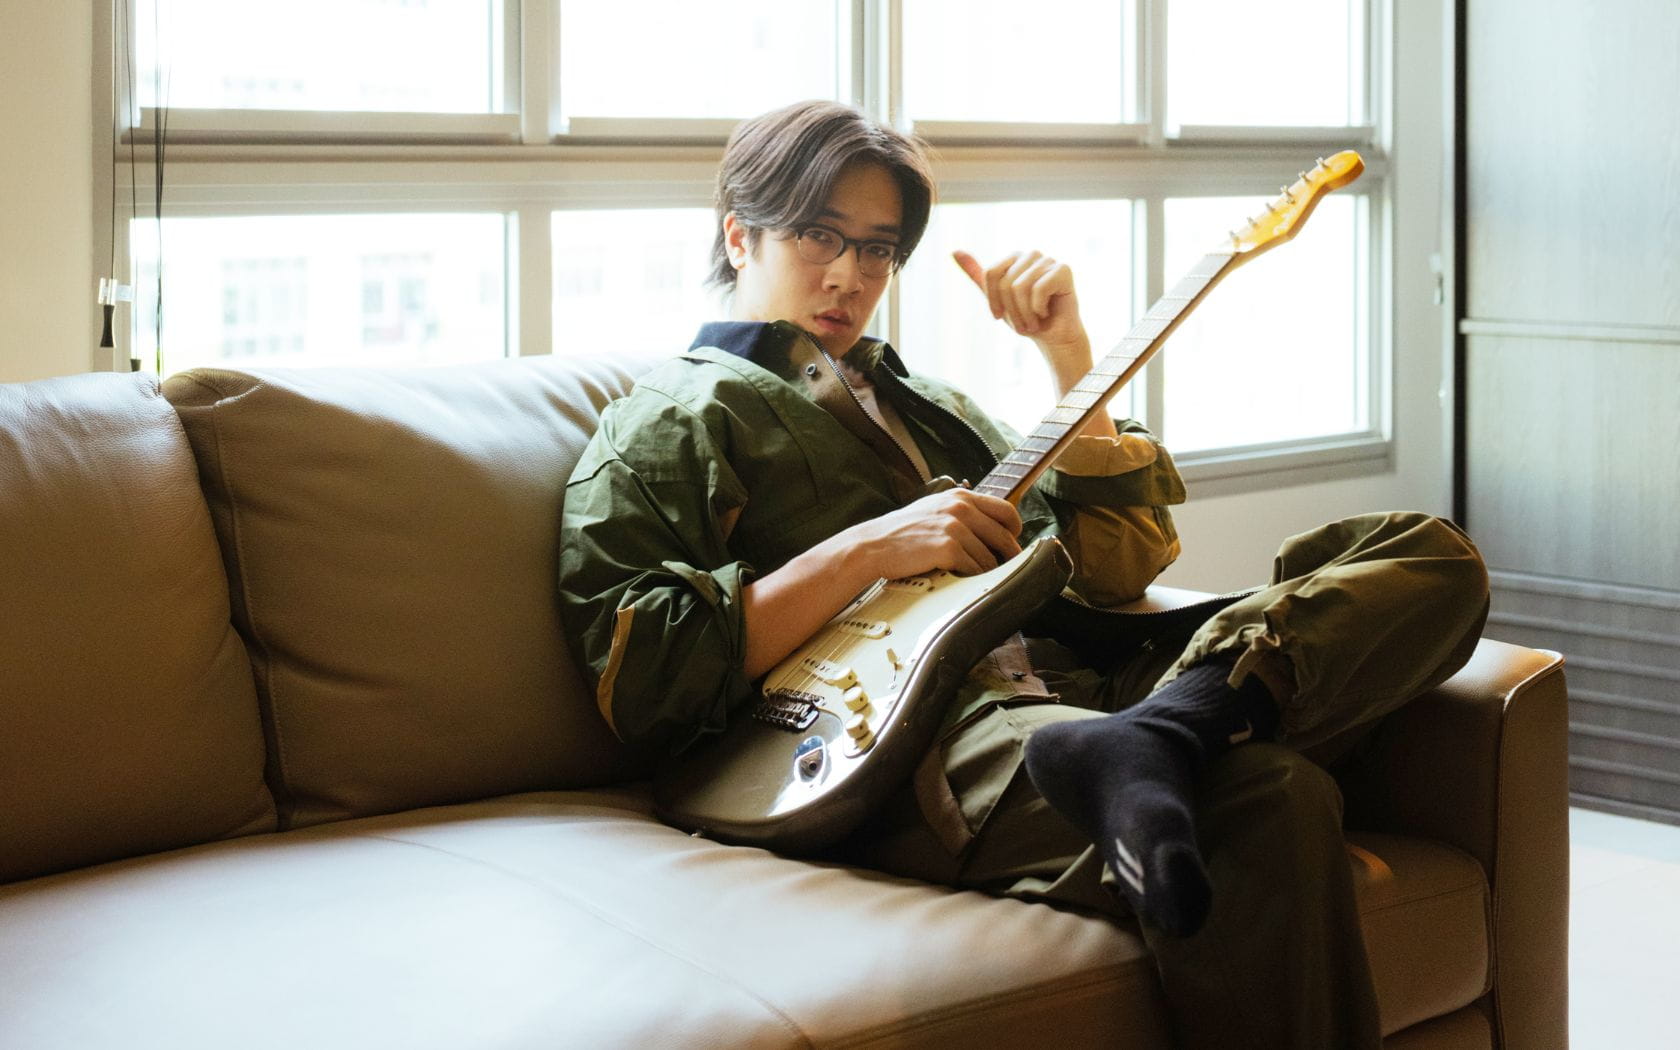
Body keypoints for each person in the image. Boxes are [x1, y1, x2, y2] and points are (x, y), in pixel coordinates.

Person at [557, 99, 1489, 1048]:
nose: (849, 276)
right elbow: (644, 678)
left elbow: (1118, 569)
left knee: (1431, 557)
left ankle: (1168, 730)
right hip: (919, 743)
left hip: (1087, 690)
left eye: (878, 250)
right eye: (818, 235)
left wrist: (1069, 353)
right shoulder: (676, 412)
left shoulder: (931, 406)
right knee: (1267, 797)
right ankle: (1156, 747)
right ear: (739, 236)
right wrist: (870, 548)